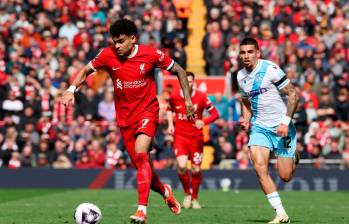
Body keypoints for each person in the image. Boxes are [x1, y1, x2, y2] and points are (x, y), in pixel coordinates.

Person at [60, 19, 196, 223]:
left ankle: (142, 210)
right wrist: (71, 90)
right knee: (144, 168)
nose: (117, 46)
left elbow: (180, 71)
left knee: (141, 155)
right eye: (114, 42)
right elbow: (85, 71)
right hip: (125, 119)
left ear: (133, 39)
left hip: (147, 112)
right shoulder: (107, 55)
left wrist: (187, 101)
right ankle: (164, 191)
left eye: (121, 41)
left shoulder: (150, 54)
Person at [237, 37, 300, 224]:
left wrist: (285, 122)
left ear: (258, 53)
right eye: (243, 52)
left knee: (285, 176)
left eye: (250, 52)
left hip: (282, 127)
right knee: (258, 166)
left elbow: (293, 94)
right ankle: (281, 214)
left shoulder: (270, 69)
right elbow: (246, 100)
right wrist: (246, 120)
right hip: (260, 127)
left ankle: (294, 156)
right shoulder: (240, 76)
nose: (246, 56)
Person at [167, 72, 219, 209]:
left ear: (193, 82)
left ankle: (195, 198)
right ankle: (187, 194)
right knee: (182, 166)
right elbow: (168, 108)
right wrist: (170, 125)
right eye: (185, 81)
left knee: (196, 170)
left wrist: (204, 121)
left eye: (190, 81)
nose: (188, 84)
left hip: (196, 138)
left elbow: (215, 114)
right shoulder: (174, 96)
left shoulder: (201, 96)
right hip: (180, 137)